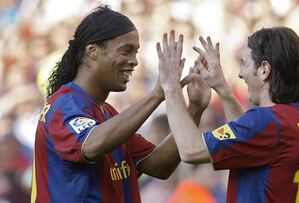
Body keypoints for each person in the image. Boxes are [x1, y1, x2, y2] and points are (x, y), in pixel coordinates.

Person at [31, 5, 210, 203]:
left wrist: (193, 109)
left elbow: (159, 166)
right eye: (126, 51)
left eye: (136, 52)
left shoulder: (108, 113)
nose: (134, 61)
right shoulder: (64, 104)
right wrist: (157, 95)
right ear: (93, 51)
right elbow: (91, 145)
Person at [157, 27, 299, 202]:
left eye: (244, 64)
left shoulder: (268, 122)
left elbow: (191, 150)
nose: (240, 73)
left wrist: (171, 88)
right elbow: (249, 139)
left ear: (264, 70)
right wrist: (222, 88)